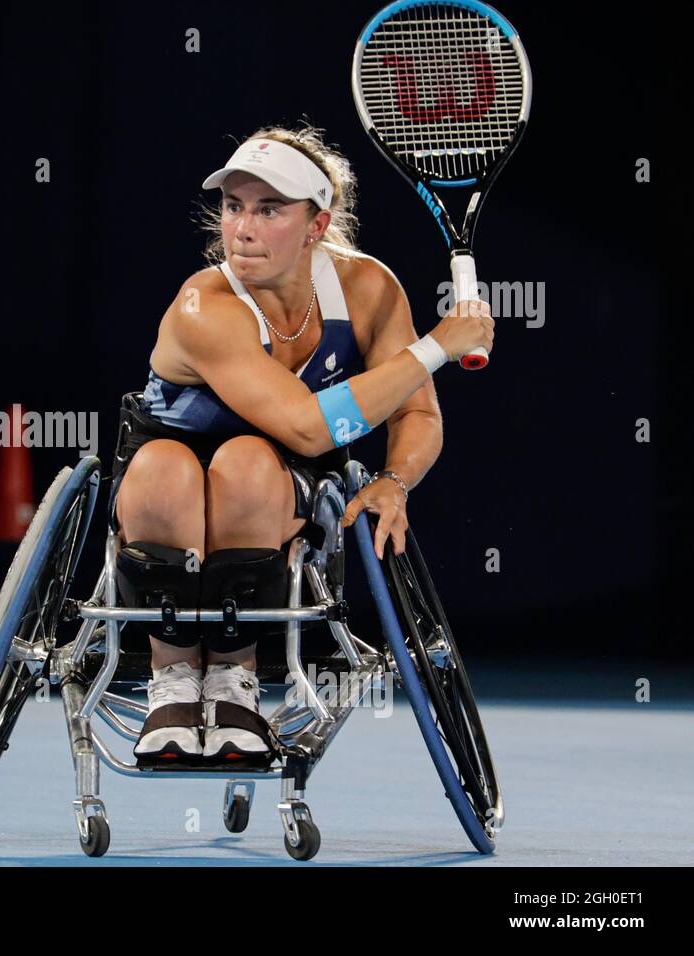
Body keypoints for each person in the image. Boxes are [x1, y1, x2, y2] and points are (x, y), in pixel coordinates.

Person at [109, 125, 493, 765]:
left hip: (275, 486)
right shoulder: (203, 306)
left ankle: (234, 678)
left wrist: (395, 480)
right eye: (233, 206)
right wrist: (437, 346)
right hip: (163, 475)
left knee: (249, 462)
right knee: (167, 468)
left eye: (268, 210)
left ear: (317, 225)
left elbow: (418, 411)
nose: (242, 228)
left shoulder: (367, 289)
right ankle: (171, 680)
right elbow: (310, 426)